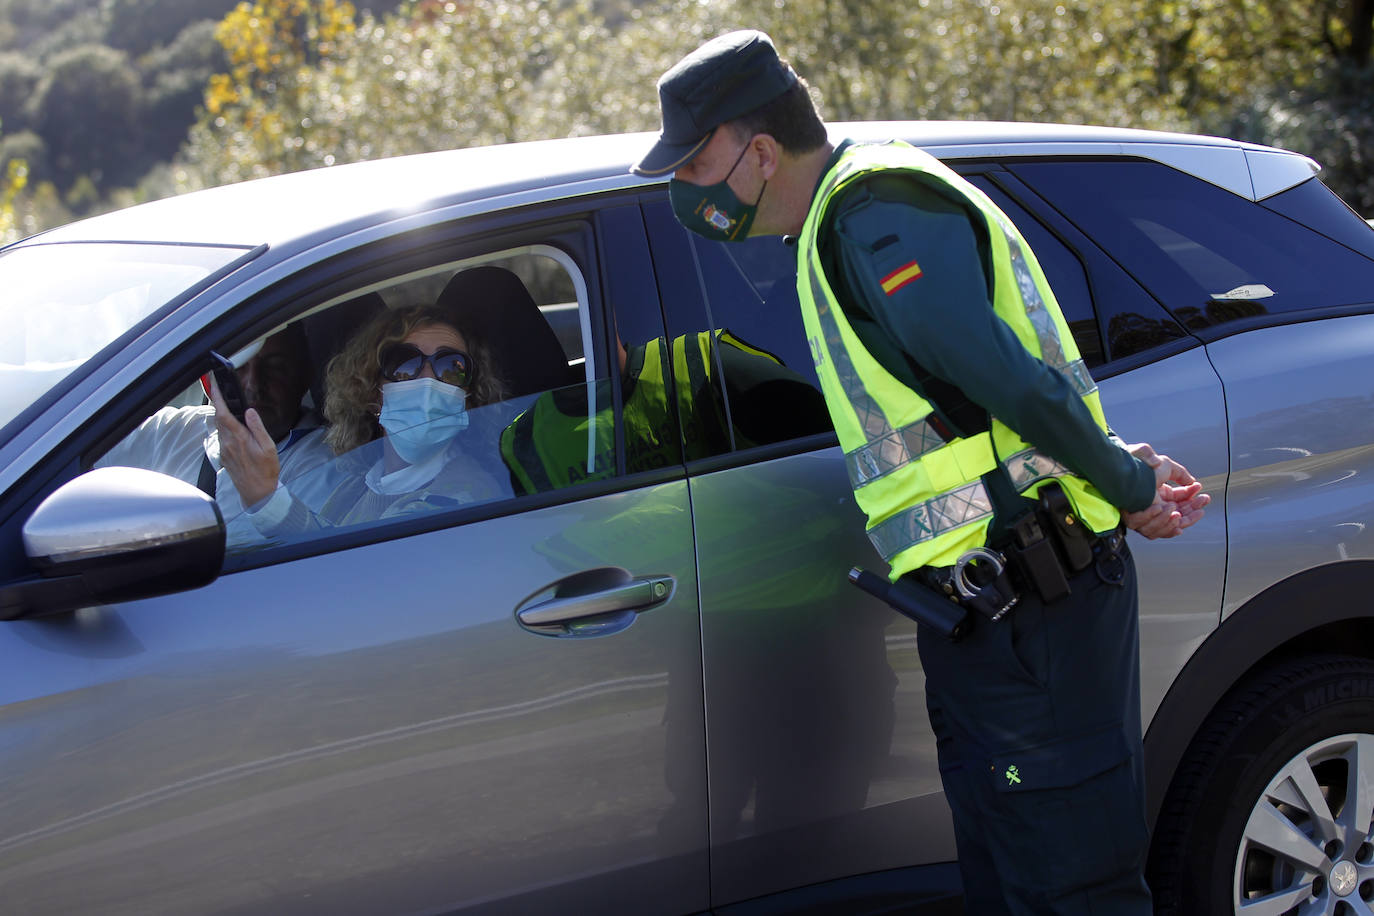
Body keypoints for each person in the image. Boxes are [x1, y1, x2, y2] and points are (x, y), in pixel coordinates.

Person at [634, 30, 1210, 915]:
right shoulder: (841, 222)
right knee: (1015, 879)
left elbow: (998, 373)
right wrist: (1115, 463)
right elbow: (977, 414)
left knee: (1071, 891)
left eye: (693, 163)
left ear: (757, 152)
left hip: (1035, 607)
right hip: (990, 615)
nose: (684, 190)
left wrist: (1125, 487)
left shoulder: (872, 211)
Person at [216, 302, 509, 538]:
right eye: (405, 365)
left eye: (451, 368)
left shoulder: (464, 495)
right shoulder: (361, 485)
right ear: (371, 391)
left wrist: (269, 500)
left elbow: (364, 577)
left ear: (468, 397)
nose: (428, 383)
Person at [96, 323, 331, 548]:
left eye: (276, 367)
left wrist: (268, 501)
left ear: (305, 376)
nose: (253, 385)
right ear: (209, 384)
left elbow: (328, 564)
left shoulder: (328, 465)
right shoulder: (173, 432)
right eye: (237, 368)